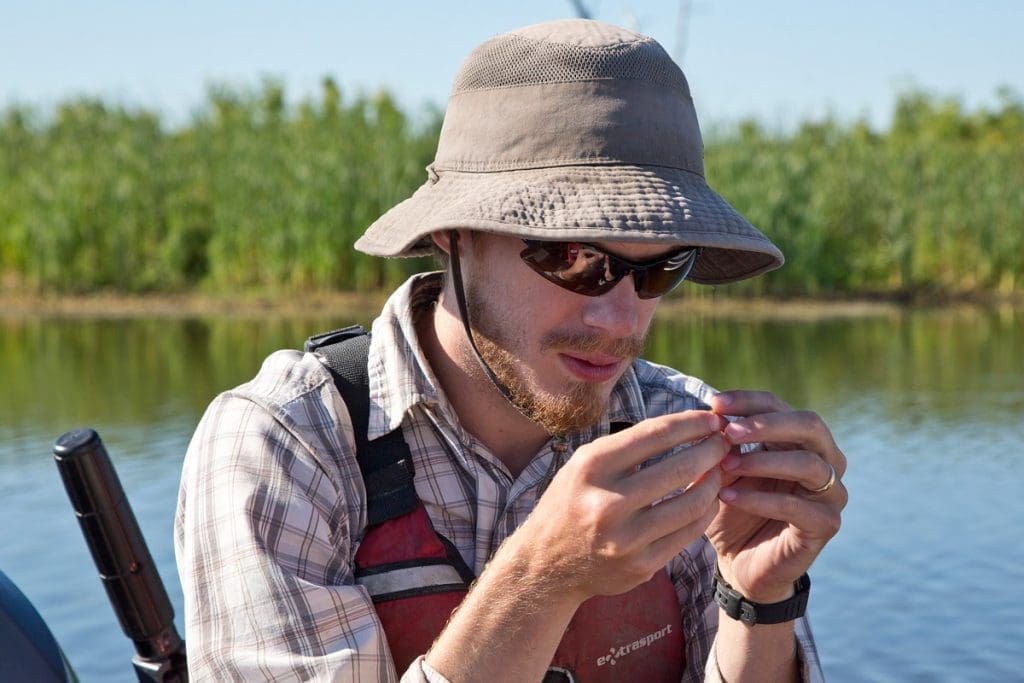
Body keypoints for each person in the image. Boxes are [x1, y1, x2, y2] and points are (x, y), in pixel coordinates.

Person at [175, 18, 847, 683]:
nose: (619, 318)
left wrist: (756, 600)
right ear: (454, 234)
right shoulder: (288, 445)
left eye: (661, 269)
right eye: (577, 257)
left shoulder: (686, 437)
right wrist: (542, 577)